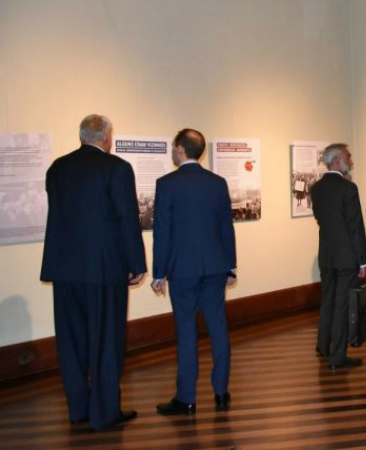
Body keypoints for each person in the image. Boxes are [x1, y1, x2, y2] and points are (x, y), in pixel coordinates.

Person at [40, 114, 146, 430]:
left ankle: (79, 409)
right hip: (104, 269)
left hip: (65, 268)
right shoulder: (117, 168)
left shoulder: (57, 168)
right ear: (106, 137)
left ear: (82, 136)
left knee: (71, 342)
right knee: (107, 340)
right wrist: (136, 264)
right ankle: (105, 412)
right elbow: (127, 218)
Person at [151, 129, 237, 415]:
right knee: (219, 329)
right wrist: (230, 265)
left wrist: (159, 273)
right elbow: (226, 227)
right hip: (215, 267)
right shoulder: (217, 183)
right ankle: (222, 392)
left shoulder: (166, 184)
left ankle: (186, 398)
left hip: (182, 270)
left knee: (186, 333)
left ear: (179, 149)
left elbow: (162, 232)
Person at [311, 143, 366, 370]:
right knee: (342, 305)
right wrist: (363, 260)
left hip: (326, 254)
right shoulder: (348, 189)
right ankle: (337, 357)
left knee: (328, 301)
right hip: (347, 257)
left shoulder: (316, 189)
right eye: (348, 157)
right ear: (336, 161)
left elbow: (321, 219)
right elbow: (356, 227)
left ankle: (323, 346)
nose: (351, 162)